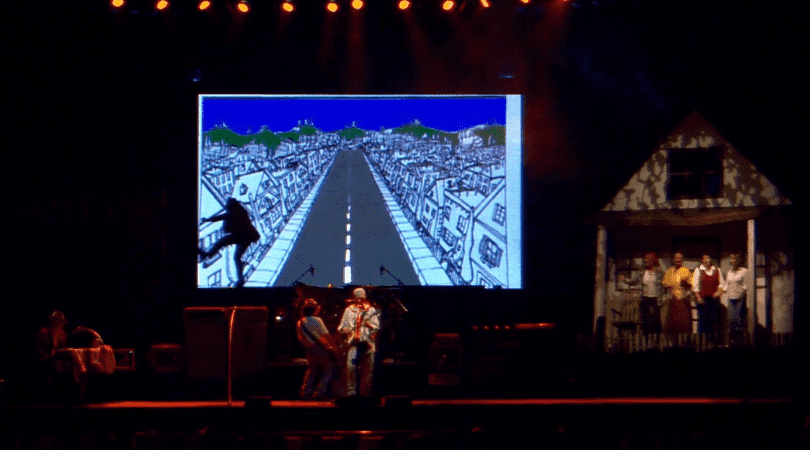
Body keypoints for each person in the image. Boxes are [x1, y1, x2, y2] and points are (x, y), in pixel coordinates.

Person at [198, 198, 261, 288]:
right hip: (244, 236)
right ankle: (240, 279)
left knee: (222, 243)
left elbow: (220, 217)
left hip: (242, 235)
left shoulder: (234, 211)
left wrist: (207, 220)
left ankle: (208, 254)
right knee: (236, 256)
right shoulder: (240, 210)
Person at [337, 287, 380, 397]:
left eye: (362, 298)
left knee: (367, 370)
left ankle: (365, 393)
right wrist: (348, 330)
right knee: (351, 368)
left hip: (368, 343)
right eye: (358, 298)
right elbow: (341, 327)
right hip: (354, 344)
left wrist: (368, 325)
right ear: (354, 298)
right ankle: (351, 393)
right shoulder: (349, 310)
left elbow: (377, 326)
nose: (360, 300)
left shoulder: (371, 310)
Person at [296, 298, 338, 400]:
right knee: (328, 371)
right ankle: (319, 393)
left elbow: (300, 338)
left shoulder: (300, 322)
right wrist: (334, 348)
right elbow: (326, 335)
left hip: (309, 350)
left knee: (312, 371)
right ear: (315, 309)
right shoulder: (317, 320)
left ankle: (305, 393)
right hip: (320, 348)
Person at [619, 252, 664, 335]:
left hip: (655, 298)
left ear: (652, 260)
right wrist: (624, 279)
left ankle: (657, 338)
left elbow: (664, 284)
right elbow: (633, 281)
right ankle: (646, 338)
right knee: (645, 319)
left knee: (656, 319)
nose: (646, 260)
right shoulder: (642, 271)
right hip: (645, 297)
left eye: (648, 259)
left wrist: (663, 296)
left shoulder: (659, 272)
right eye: (645, 259)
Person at [692, 254, 724, 345]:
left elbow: (723, 284)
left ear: (710, 259)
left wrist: (718, 292)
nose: (706, 260)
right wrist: (698, 297)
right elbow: (695, 286)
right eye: (704, 259)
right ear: (702, 260)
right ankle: (701, 345)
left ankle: (712, 345)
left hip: (713, 301)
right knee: (703, 323)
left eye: (708, 258)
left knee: (713, 323)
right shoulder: (698, 270)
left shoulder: (717, 270)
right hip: (703, 301)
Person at [718, 252, 749, 346]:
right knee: (731, 320)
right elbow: (726, 285)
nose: (732, 260)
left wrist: (742, 294)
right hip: (731, 299)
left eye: (734, 258)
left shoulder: (744, 271)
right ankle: (732, 341)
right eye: (731, 258)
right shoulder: (729, 272)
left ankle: (739, 342)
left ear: (738, 260)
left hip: (740, 299)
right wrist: (719, 292)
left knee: (738, 320)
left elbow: (747, 286)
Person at [661, 252, 693, 338]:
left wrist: (685, 284)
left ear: (682, 260)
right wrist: (668, 286)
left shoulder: (686, 271)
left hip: (683, 300)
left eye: (679, 258)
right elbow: (664, 283)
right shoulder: (669, 271)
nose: (678, 260)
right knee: (672, 324)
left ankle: (684, 341)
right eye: (676, 258)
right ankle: (672, 341)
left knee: (683, 324)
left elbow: (691, 285)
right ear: (673, 259)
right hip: (672, 299)